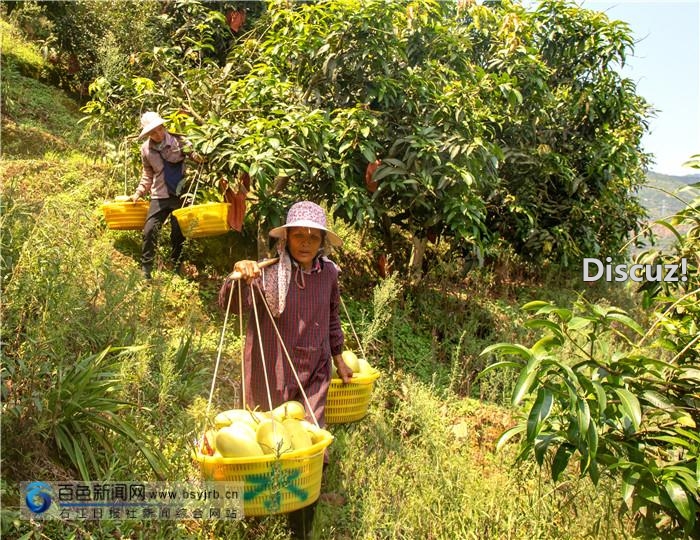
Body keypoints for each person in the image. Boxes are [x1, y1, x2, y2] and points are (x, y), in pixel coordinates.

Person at [218, 201, 354, 539]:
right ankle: (256, 515)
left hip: (315, 373)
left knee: (309, 448)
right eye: (299, 235)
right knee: (264, 445)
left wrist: (338, 356)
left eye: (313, 236)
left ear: (322, 240)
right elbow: (228, 304)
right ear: (287, 237)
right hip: (271, 370)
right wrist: (239, 274)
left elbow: (332, 316)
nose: (306, 242)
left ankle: (301, 527)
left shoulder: (329, 274)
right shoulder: (265, 273)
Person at [130, 111, 196, 279]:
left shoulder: (178, 141)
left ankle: (176, 265)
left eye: (160, 129)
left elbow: (194, 155)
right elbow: (147, 175)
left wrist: (198, 157)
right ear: (148, 134)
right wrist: (139, 192)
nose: (158, 134)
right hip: (159, 194)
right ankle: (146, 269)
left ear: (163, 126)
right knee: (149, 230)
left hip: (180, 194)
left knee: (177, 233)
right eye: (153, 132)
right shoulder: (146, 149)